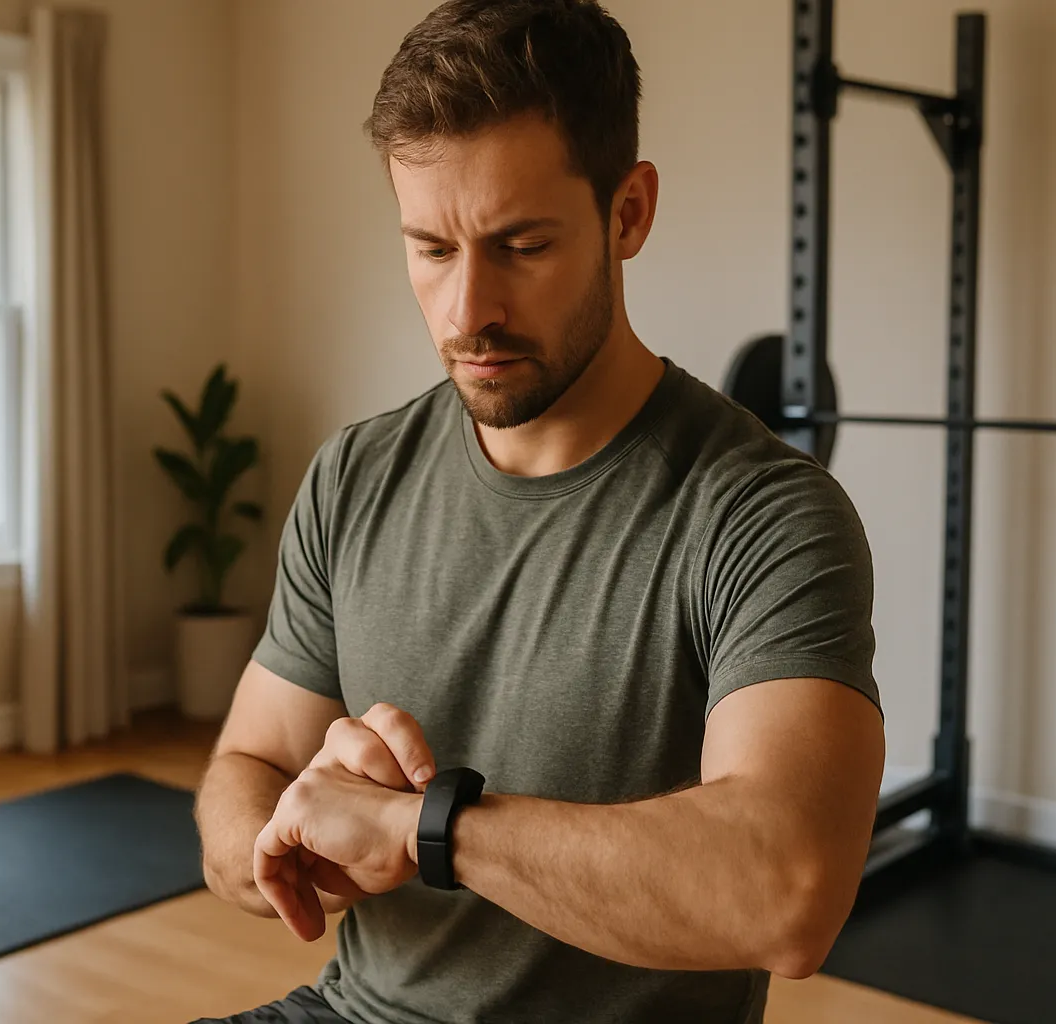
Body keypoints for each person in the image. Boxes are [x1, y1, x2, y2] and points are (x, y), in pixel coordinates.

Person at [190, 2, 885, 1022]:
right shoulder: (356, 475)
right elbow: (238, 773)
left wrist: (427, 828)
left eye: (520, 245)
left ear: (629, 213)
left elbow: (786, 892)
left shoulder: (765, 515)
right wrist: (285, 838)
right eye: (431, 248)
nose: (468, 310)